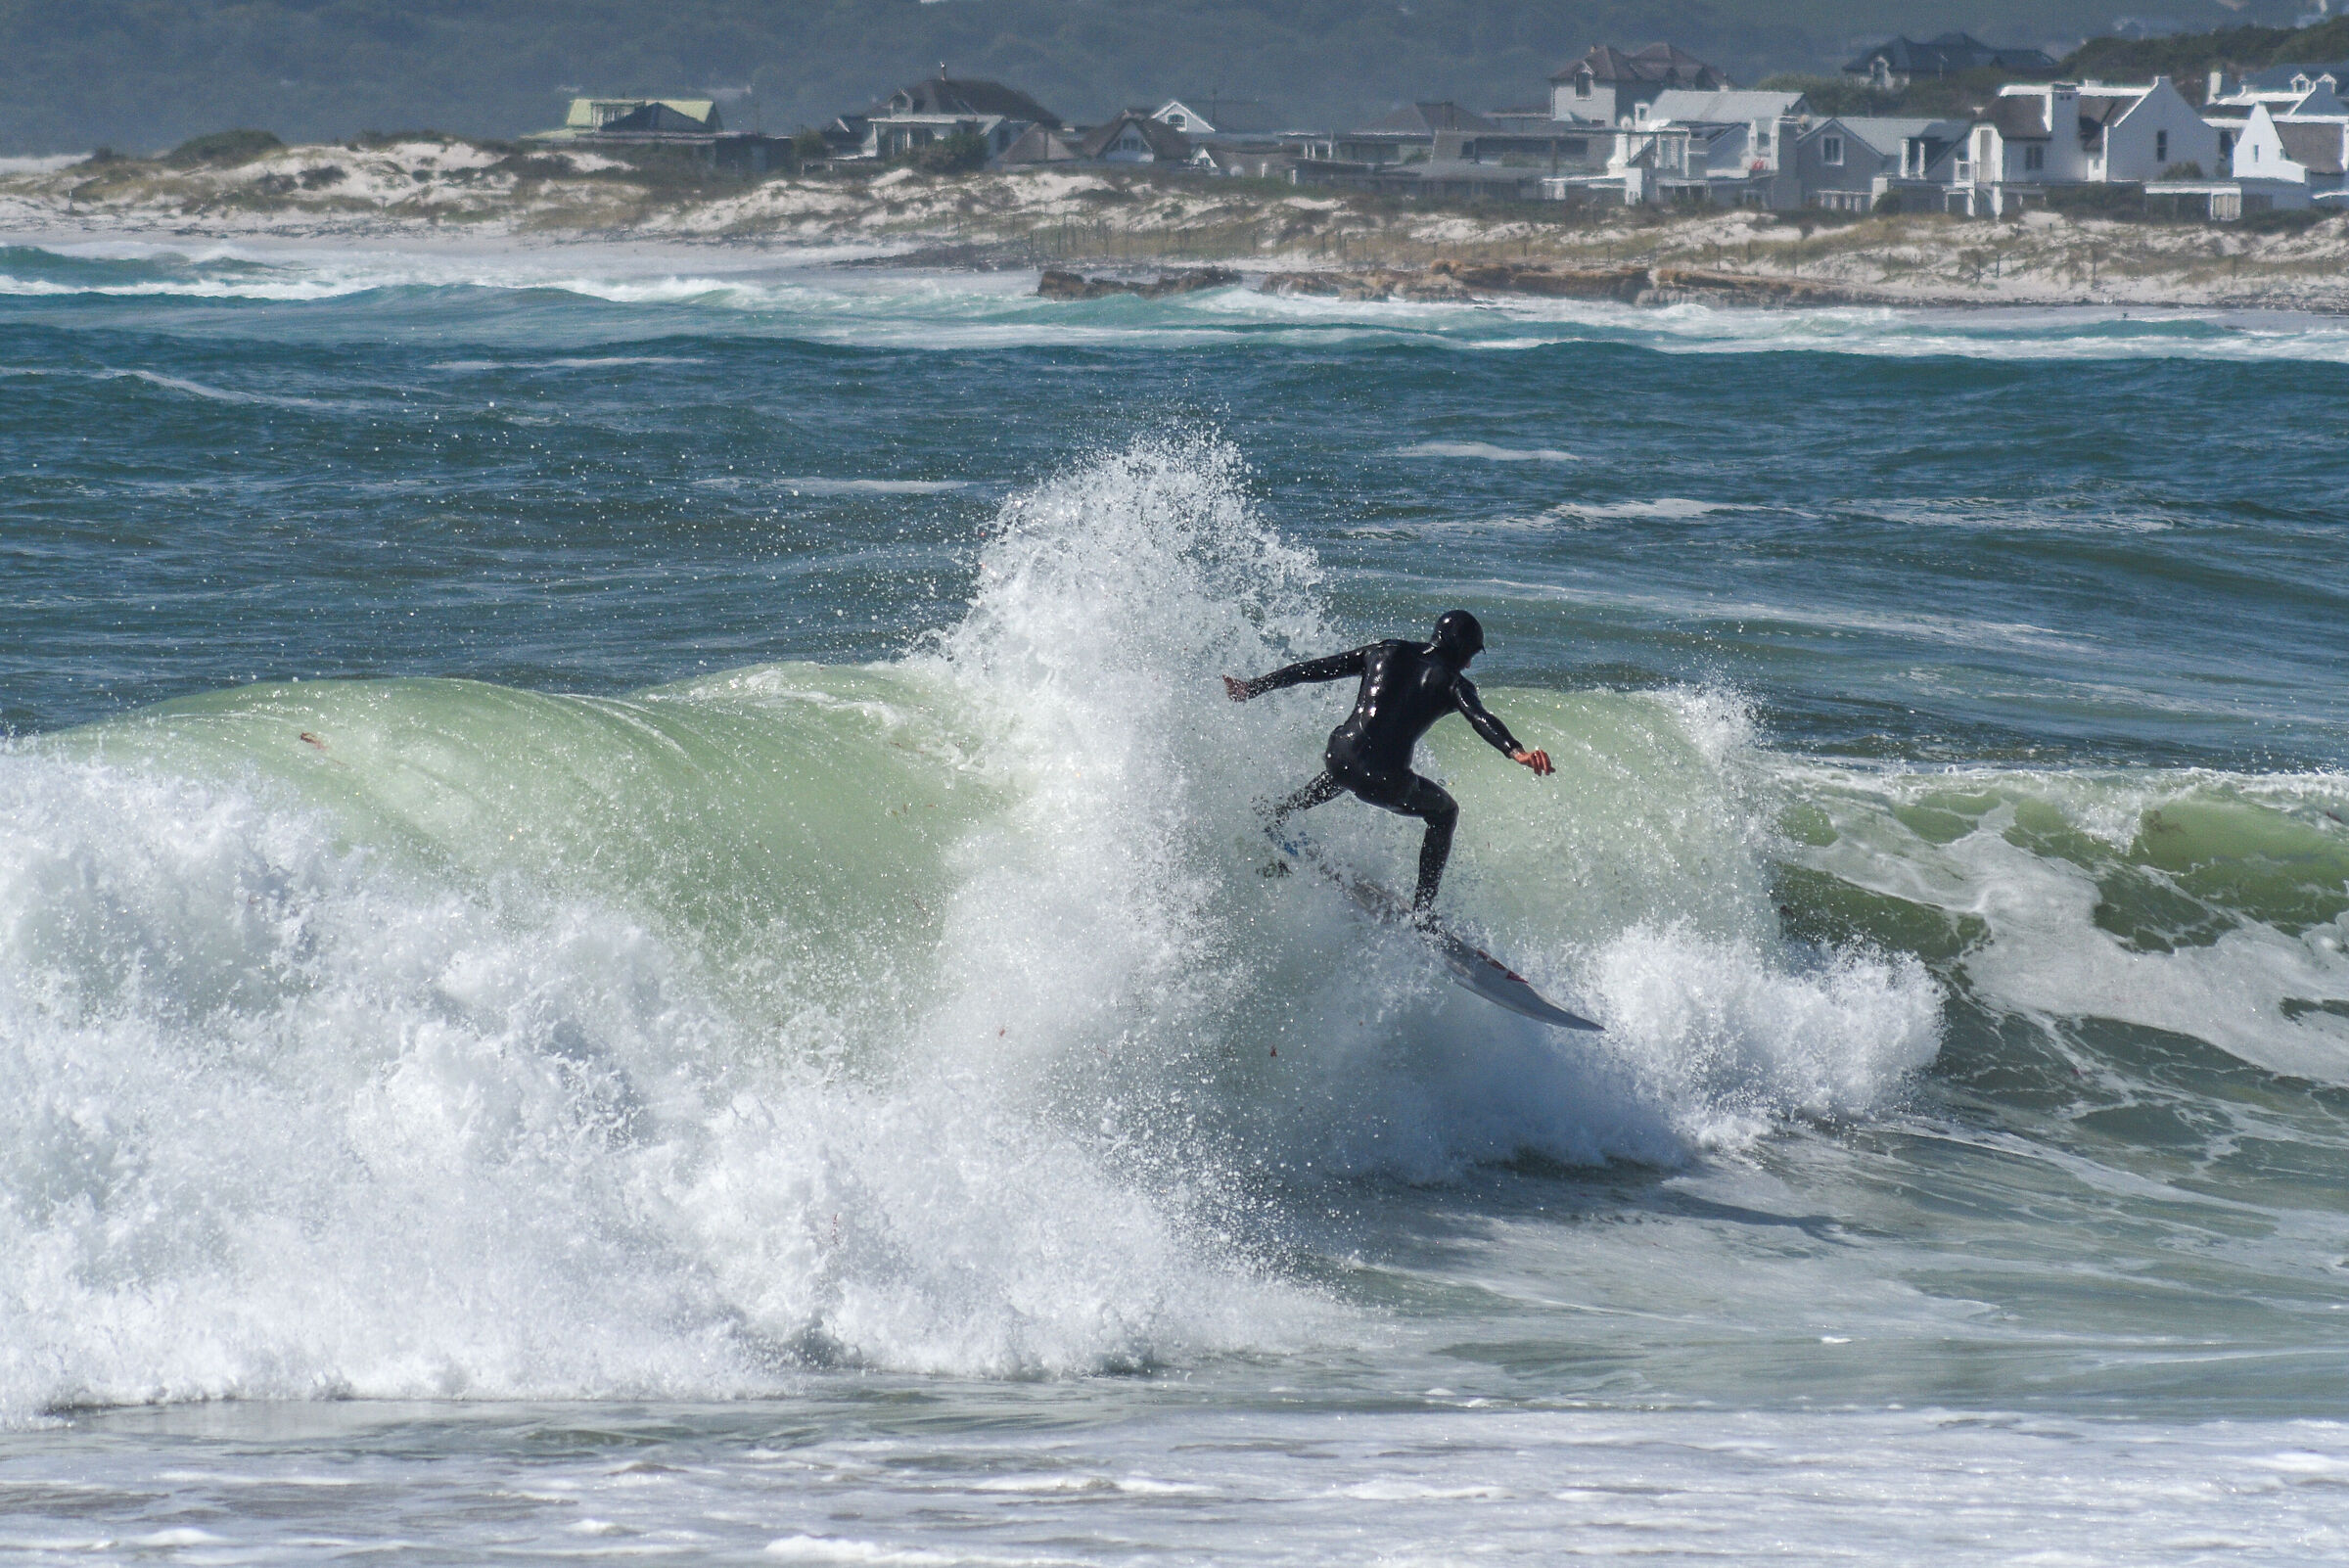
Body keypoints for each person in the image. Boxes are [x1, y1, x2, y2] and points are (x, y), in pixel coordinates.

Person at [1223, 610, 1552, 921]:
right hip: (1385, 781)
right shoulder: (1455, 684)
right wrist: (1516, 751)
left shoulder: (1385, 650)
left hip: (1338, 754)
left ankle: (1280, 811)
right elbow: (1481, 718)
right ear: (1461, 648)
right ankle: (1423, 913)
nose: (1468, 663)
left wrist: (1253, 687)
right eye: (1470, 654)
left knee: (1351, 767)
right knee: (1444, 813)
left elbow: (1314, 669)